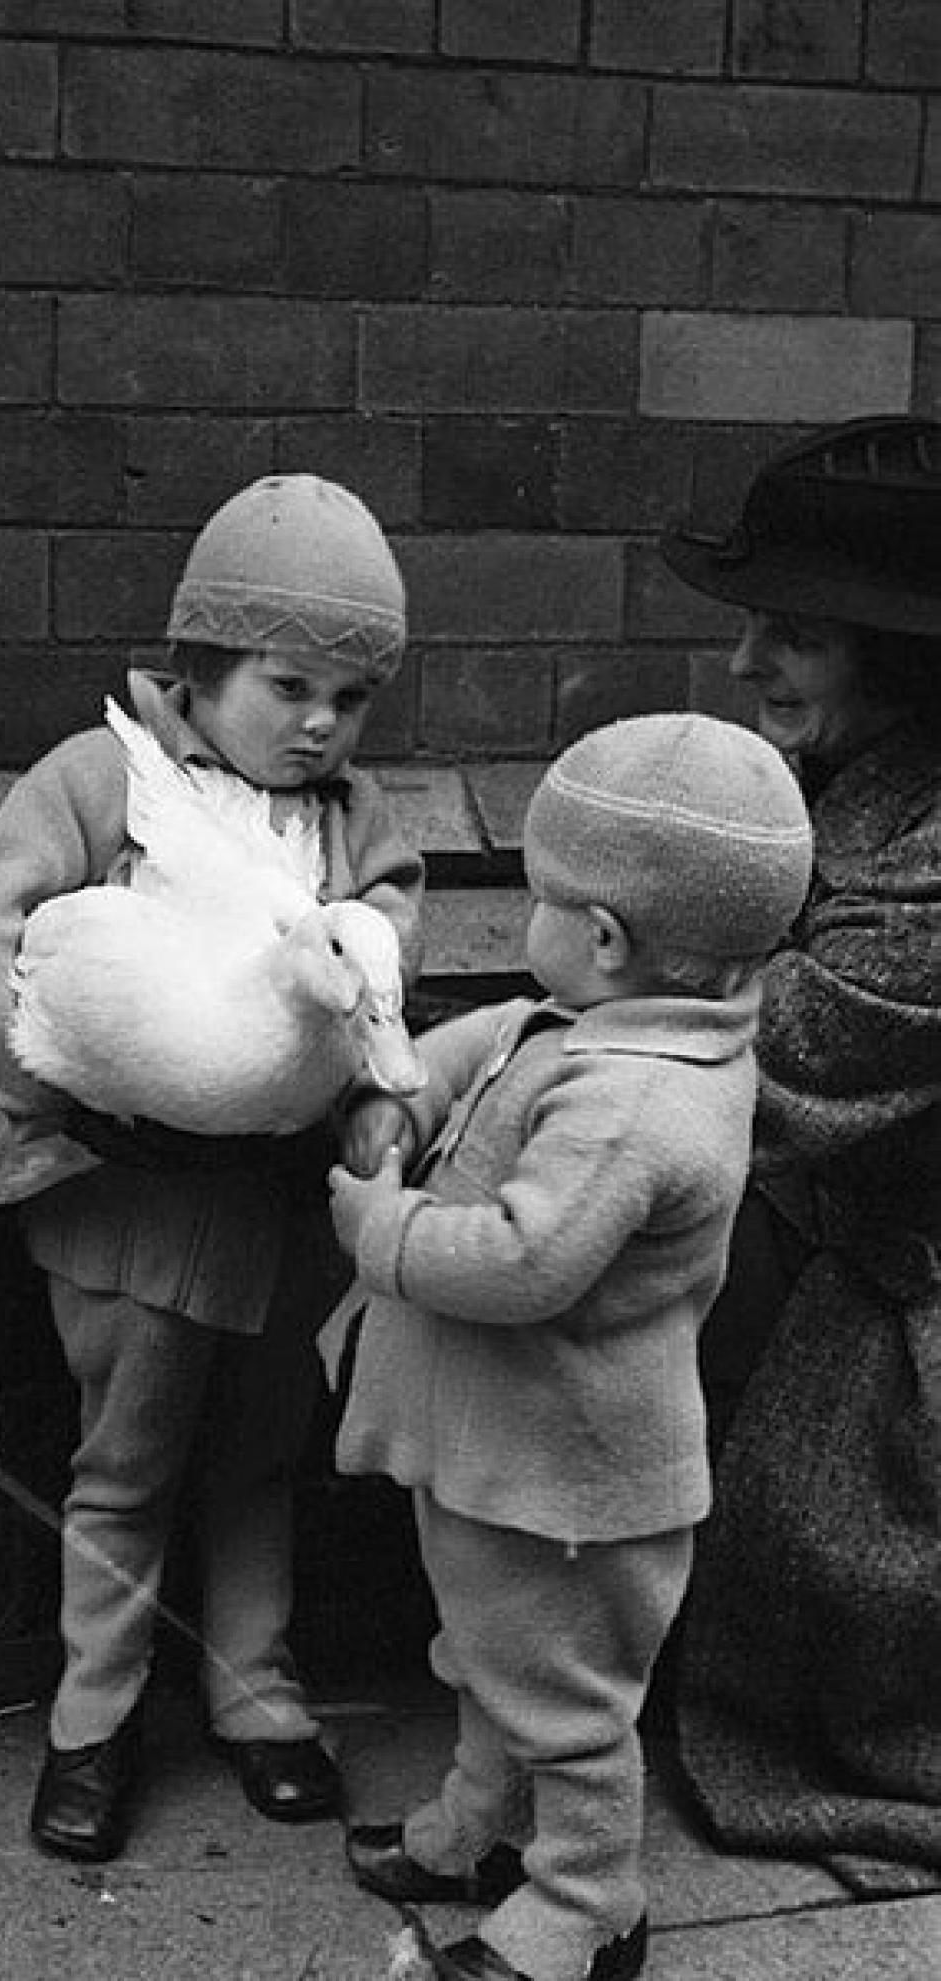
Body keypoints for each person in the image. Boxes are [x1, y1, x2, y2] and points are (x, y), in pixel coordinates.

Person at [0, 475, 425, 1861]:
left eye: (350, 697)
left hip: (278, 1213)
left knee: (263, 1453)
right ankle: (93, 1716)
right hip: (133, 1205)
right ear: (201, 664)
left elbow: (380, 961)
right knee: (127, 1458)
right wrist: (46, 1092)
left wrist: (371, 1109)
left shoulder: (351, 821)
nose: (320, 723)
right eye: (288, 686)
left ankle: (256, 1690)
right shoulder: (100, 780)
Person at [322, 713, 814, 1981]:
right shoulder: (611, 1023)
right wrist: (403, 1089)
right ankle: (479, 1831)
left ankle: (587, 1908)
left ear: (601, 936)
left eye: (538, 898)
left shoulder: (638, 1102)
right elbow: (495, 1040)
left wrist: (377, 1226)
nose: (525, 921)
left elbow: (519, 1261)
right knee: (491, 1653)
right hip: (508, 1457)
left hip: (570, 1484)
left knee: (565, 1701)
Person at [658, 417, 941, 1886]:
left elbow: (759, 1061)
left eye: (796, 636)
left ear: (901, 663)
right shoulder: (843, 794)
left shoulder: (925, 864)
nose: (742, 661)